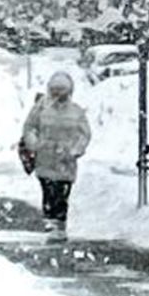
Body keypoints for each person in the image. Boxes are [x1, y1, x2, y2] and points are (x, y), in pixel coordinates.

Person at [18, 71, 91, 241]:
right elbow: (29, 128)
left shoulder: (76, 111)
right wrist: (35, 144)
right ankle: (51, 221)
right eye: (55, 90)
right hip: (46, 158)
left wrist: (75, 150)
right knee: (49, 190)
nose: (58, 94)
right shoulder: (41, 109)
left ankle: (59, 222)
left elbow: (85, 134)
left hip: (66, 161)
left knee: (62, 192)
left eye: (62, 90)